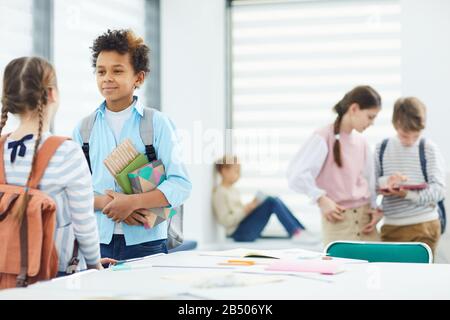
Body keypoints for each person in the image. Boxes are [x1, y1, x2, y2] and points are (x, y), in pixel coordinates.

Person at [73, 29, 191, 260]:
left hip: (147, 243)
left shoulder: (157, 124)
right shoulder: (84, 129)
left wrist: (133, 203)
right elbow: (73, 192)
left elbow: (181, 185)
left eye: (117, 71)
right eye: (101, 71)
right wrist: (108, 203)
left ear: (138, 77)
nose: (107, 77)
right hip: (97, 242)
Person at [0, 56, 107, 276]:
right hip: (52, 275)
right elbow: (83, 222)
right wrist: (95, 264)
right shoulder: (66, 152)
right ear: (51, 94)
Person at [287, 85, 383, 247]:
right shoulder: (323, 137)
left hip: (366, 222)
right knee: (342, 270)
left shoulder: (362, 142)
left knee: (376, 269)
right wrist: (321, 199)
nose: (372, 123)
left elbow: (369, 180)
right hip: (339, 222)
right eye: (370, 117)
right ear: (354, 109)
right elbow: (296, 175)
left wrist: (376, 209)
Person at [375, 97, 446, 255]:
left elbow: (439, 190)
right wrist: (388, 182)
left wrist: (408, 194)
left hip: (424, 226)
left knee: (420, 277)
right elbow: (373, 186)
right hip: (392, 227)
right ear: (395, 124)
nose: (410, 141)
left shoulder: (428, 149)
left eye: (416, 135)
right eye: (405, 135)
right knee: (392, 276)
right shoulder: (382, 148)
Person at [212, 155, 310, 242]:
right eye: (236, 171)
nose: (239, 175)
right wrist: (245, 210)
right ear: (224, 171)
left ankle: (301, 231)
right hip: (239, 233)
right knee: (272, 201)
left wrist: (251, 207)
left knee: (275, 199)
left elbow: (240, 212)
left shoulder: (233, 190)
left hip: (244, 227)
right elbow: (225, 221)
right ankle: (296, 233)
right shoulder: (220, 193)